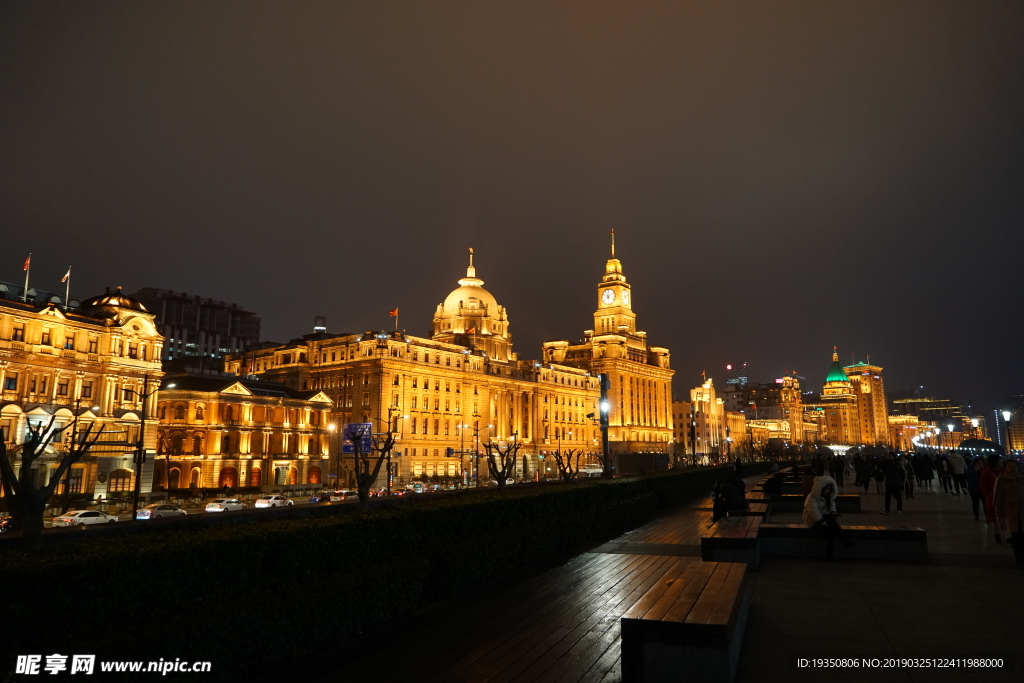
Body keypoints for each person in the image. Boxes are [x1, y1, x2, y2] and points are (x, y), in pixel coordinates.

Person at [803, 470, 855, 560]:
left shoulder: (829, 497)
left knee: (831, 528)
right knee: (831, 528)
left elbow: (832, 507)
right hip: (813, 520)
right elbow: (813, 511)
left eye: (829, 489)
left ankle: (830, 550)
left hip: (825, 518)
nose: (827, 491)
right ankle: (843, 539)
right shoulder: (811, 497)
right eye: (825, 489)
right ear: (820, 488)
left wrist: (833, 513)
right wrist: (822, 522)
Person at [993, 460, 1024, 568]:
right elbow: (998, 499)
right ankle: (1019, 558)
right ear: (1006, 468)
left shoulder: (1022, 479)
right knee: (1015, 536)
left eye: (1015, 467)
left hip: (1022, 510)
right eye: (1010, 467)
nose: (1013, 469)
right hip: (1011, 512)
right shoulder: (1002, 480)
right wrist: (999, 514)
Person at [981, 455, 1003, 542]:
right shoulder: (987, 473)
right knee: (994, 517)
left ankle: (1008, 535)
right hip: (993, 499)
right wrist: (990, 495)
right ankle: (997, 533)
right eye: (999, 460)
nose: (1001, 461)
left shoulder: (1004, 471)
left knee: (1006, 517)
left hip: (1004, 498)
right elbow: (983, 486)